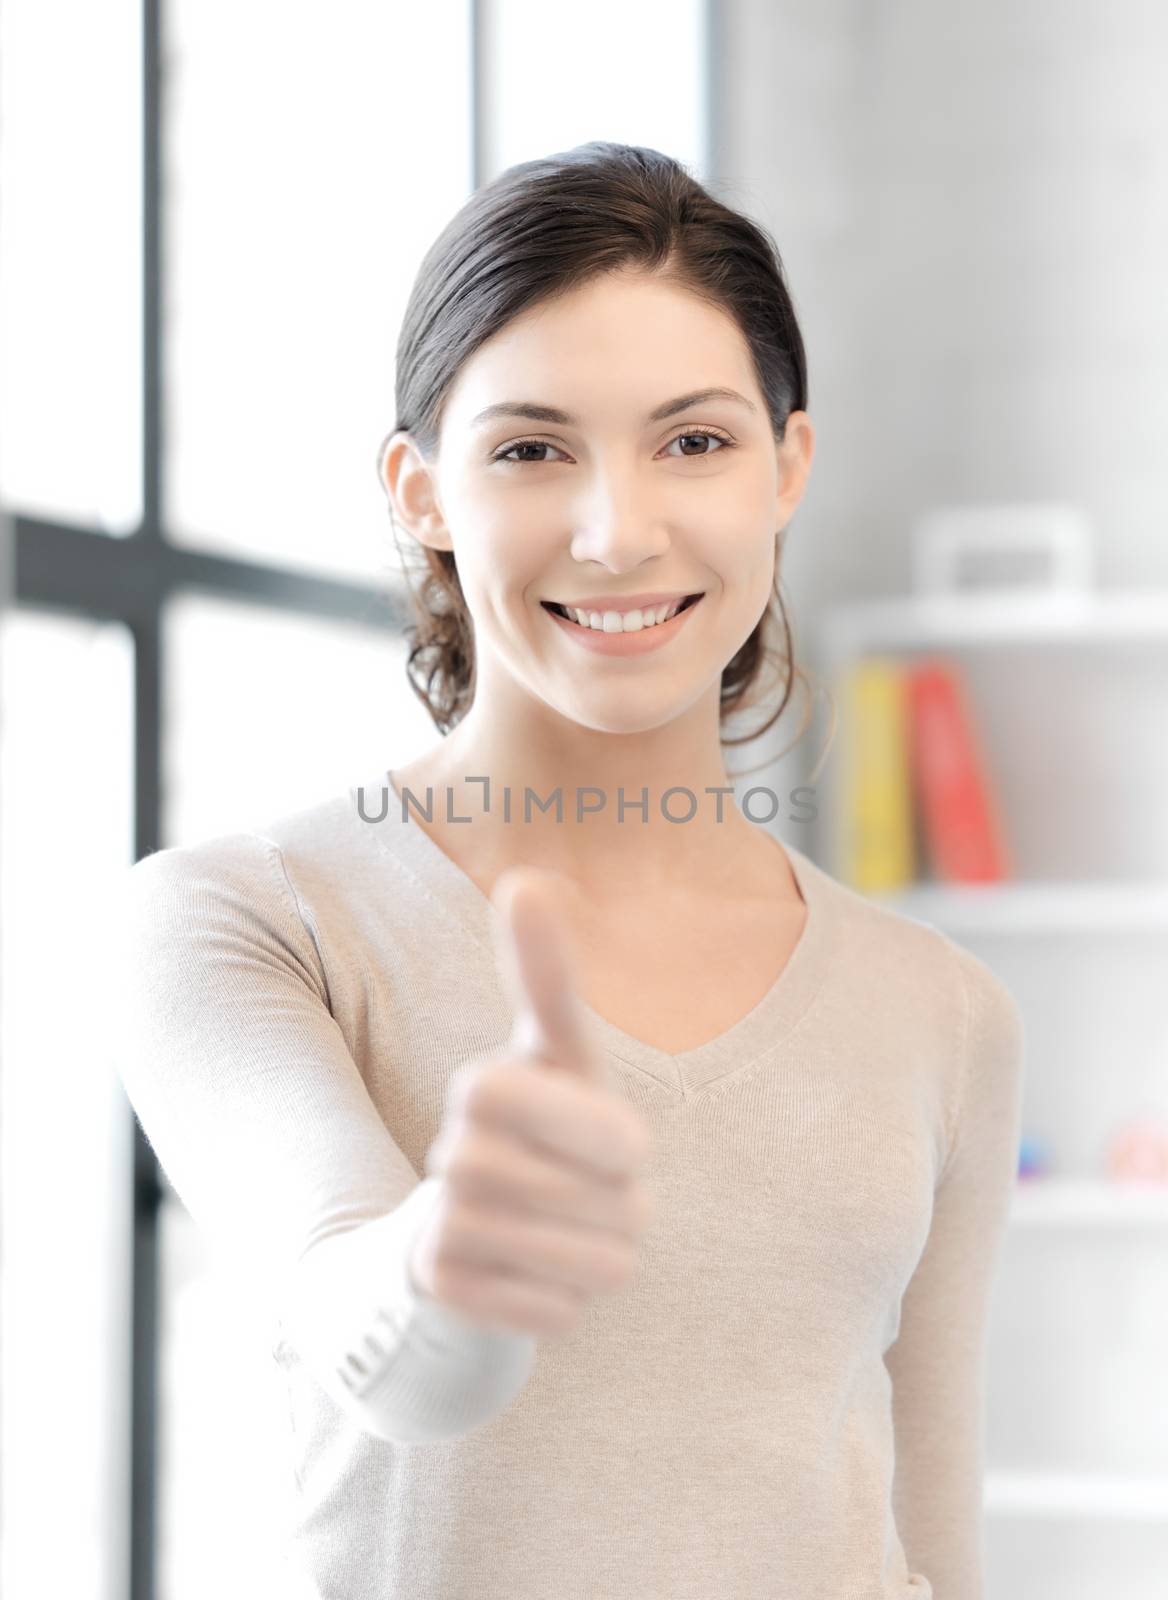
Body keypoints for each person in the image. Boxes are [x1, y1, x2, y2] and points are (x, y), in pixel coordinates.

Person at [112, 142, 1024, 1600]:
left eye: (696, 441)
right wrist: (446, 1265)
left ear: (788, 465)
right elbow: (372, 1339)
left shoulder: (945, 1010)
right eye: (533, 449)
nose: (619, 532)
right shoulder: (243, 919)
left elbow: (935, 1534)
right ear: (419, 492)